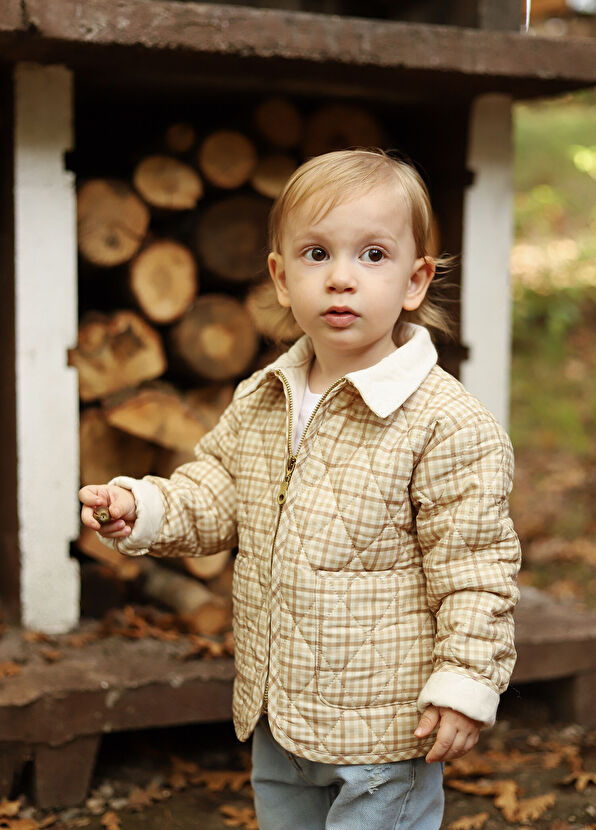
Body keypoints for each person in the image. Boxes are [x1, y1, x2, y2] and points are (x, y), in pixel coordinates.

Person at [80, 148, 521, 830]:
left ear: (416, 279)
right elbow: (220, 490)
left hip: (385, 730)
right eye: (317, 254)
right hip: (279, 713)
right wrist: (149, 507)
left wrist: (465, 682)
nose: (341, 278)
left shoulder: (447, 424)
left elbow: (477, 570)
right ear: (282, 280)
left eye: (372, 255)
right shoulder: (266, 395)